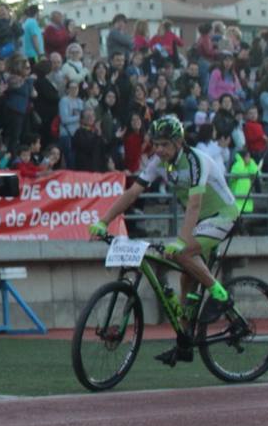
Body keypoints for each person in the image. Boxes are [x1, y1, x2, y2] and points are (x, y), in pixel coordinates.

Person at [90, 115, 240, 364]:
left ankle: (220, 295)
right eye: (156, 144)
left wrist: (182, 242)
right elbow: (133, 192)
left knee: (182, 254)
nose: (159, 149)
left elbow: (194, 205)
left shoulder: (195, 161)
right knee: (185, 280)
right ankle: (184, 343)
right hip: (201, 221)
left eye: (164, 145)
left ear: (179, 142)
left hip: (222, 215)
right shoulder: (158, 161)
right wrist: (104, 221)